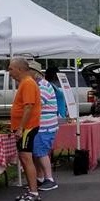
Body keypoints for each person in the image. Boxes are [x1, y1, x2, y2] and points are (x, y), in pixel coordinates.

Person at [8, 57, 42, 201]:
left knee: (26, 159)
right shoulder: (25, 83)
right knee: (24, 158)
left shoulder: (27, 83)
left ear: (20, 69)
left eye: (11, 69)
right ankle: (31, 189)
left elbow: (28, 107)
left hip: (28, 127)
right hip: (24, 127)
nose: (9, 72)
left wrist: (21, 127)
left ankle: (34, 192)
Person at [29, 61, 58, 191]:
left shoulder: (43, 86)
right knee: (37, 152)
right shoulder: (37, 85)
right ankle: (40, 178)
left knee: (41, 152)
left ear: (34, 73)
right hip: (41, 125)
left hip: (45, 126)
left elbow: (36, 104)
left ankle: (49, 178)